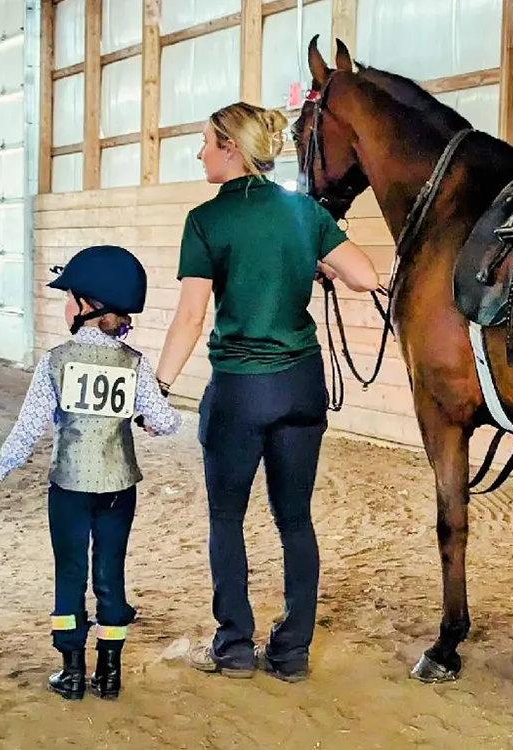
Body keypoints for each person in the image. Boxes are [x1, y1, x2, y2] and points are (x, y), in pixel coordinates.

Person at [153, 101, 379, 682]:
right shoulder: (305, 211)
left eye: (206, 143)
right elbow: (366, 276)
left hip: (239, 391)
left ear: (230, 148)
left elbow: (190, 317)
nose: (200, 154)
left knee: (226, 518)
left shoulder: (205, 220)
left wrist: (159, 384)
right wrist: (320, 264)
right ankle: (291, 651)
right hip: (301, 384)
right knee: (295, 520)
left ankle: (233, 646)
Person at [0, 245, 182, 701]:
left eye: (68, 297)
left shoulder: (56, 360)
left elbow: (28, 430)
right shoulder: (134, 362)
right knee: (110, 573)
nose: (64, 305)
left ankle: (71, 671)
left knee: (70, 572)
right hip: (120, 487)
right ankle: (109, 673)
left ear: (87, 305)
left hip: (69, 486)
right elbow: (165, 422)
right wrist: (146, 417)